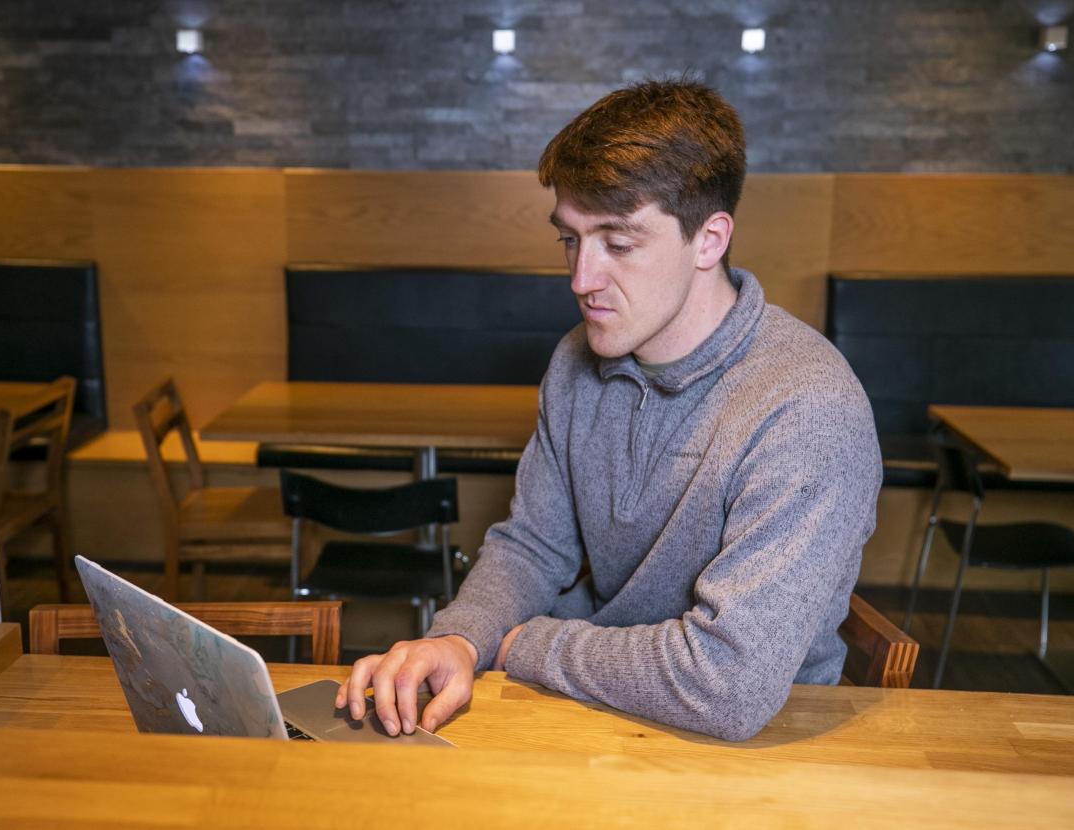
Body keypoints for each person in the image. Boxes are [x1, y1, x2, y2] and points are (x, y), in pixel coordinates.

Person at [335, 78, 882, 742]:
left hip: (756, 750)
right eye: (571, 239)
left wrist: (524, 645)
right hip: (593, 705)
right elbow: (534, 545)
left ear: (709, 240)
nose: (581, 280)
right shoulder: (576, 359)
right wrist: (459, 638)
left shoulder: (806, 409)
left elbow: (729, 686)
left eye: (618, 244)